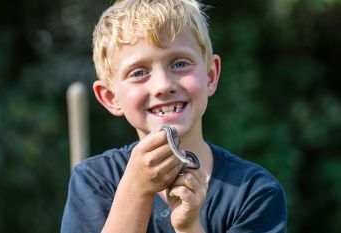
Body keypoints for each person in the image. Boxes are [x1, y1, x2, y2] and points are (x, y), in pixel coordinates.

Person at [61, 0, 287, 232]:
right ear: (110, 98)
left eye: (180, 64)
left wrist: (188, 226)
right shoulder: (94, 181)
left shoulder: (255, 192)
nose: (163, 85)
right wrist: (136, 190)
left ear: (210, 76)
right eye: (138, 72)